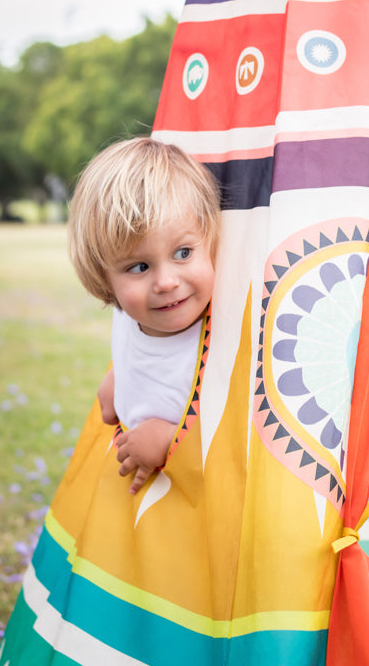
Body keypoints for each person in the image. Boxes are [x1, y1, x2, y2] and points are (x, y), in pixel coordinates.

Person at [67, 136, 221, 495]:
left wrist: (170, 441)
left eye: (183, 252)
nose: (166, 282)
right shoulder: (130, 315)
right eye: (139, 266)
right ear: (104, 278)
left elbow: (235, 441)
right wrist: (121, 379)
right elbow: (135, 350)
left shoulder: (223, 332)